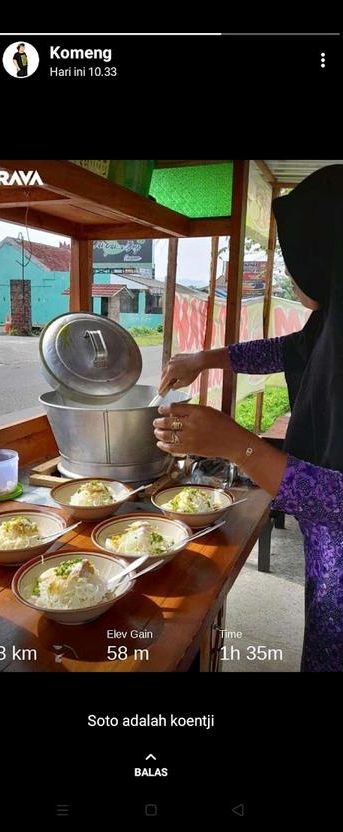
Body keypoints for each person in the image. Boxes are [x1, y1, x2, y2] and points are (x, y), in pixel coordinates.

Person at [153, 164, 343, 673]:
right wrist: (206, 358)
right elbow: (286, 349)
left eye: (295, 251)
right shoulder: (331, 317)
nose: (289, 268)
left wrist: (238, 445)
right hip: (326, 541)